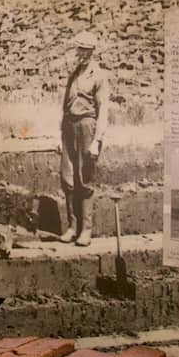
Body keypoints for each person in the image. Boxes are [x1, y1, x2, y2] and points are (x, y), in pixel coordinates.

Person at [58, 31, 110, 247]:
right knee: (68, 178)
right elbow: (64, 108)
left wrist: (97, 141)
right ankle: (72, 227)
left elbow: (103, 110)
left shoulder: (99, 76)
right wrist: (59, 136)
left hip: (87, 127)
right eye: (78, 49)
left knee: (85, 180)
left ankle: (86, 231)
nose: (79, 53)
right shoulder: (74, 75)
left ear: (91, 51)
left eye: (83, 49)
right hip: (69, 127)